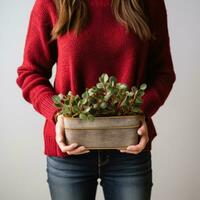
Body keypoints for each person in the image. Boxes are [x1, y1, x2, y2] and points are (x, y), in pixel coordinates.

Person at [16, 0, 176, 199]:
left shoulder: (149, 3)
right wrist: (57, 114)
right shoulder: (51, 3)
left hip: (129, 150)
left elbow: (163, 73)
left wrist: (140, 112)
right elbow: (30, 73)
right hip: (69, 151)